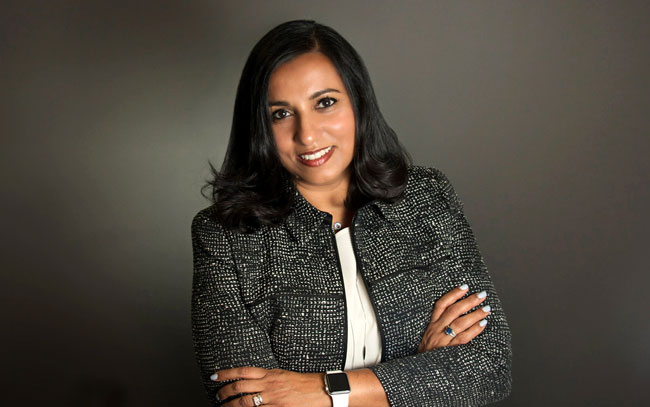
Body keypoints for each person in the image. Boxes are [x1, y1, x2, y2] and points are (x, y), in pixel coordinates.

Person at [191, 20, 512, 407]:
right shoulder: (224, 235)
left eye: (325, 103)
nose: (307, 135)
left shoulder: (428, 197)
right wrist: (420, 374)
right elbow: (251, 401)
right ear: (259, 125)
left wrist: (322, 389)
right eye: (281, 114)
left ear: (358, 101)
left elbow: (489, 367)